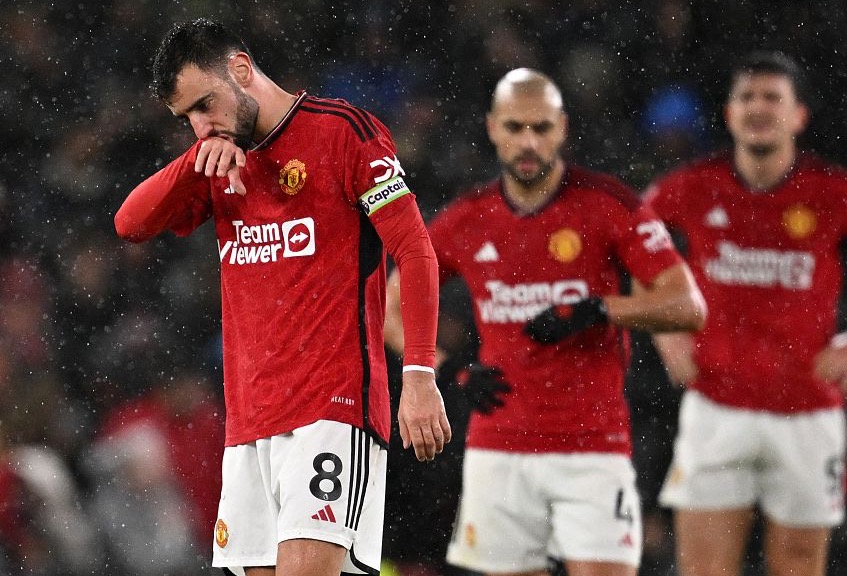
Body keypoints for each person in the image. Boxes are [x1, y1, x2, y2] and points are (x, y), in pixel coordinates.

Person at [113, 18, 451, 576]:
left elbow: (414, 250)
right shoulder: (215, 160)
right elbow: (128, 224)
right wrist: (195, 161)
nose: (201, 127)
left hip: (332, 410)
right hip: (248, 423)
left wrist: (418, 374)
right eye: (187, 119)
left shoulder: (344, 132)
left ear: (242, 70)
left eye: (206, 104)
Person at [383, 68, 707, 576]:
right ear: (492, 128)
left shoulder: (609, 205)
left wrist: (601, 308)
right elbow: (390, 305)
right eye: (515, 128)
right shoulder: (468, 218)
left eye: (540, 127)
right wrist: (447, 370)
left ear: (563, 127)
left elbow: (688, 306)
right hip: (500, 450)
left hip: (594, 449)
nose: (528, 142)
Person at [644, 51, 847, 576]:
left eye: (772, 98)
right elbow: (628, 240)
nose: (759, 107)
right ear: (729, 113)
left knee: (799, 566)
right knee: (703, 569)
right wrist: (665, 332)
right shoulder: (693, 186)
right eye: (747, 97)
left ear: (797, 116)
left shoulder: (832, 191)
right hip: (717, 406)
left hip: (806, 411)